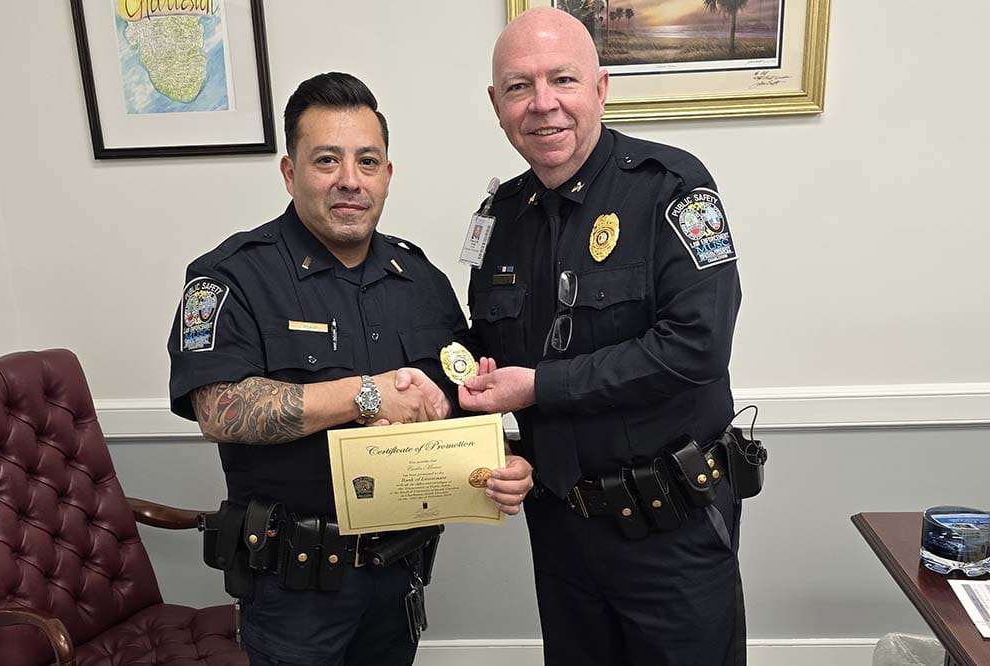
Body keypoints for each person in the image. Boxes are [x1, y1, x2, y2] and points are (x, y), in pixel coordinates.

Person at [167, 72, 533, 666]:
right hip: (295, 587)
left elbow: (460, 392)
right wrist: (366, 395)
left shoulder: (422, 282)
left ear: (387, 175)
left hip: (399, 574)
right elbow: (219, 409)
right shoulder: (231, 276)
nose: (349, 180)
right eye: (326, 160)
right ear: (290, 172)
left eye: (367, 161)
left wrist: (502, 461)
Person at [459, 8, 746, 666]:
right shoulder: (498, 219)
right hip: (560, 529)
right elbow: (482, 357)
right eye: (519, 87)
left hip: (670, 527)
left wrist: (541, 388)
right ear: (497, 105)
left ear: (601, 88)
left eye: (563, 79)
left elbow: (697, 346)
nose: (543, 105)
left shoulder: (673, 189)